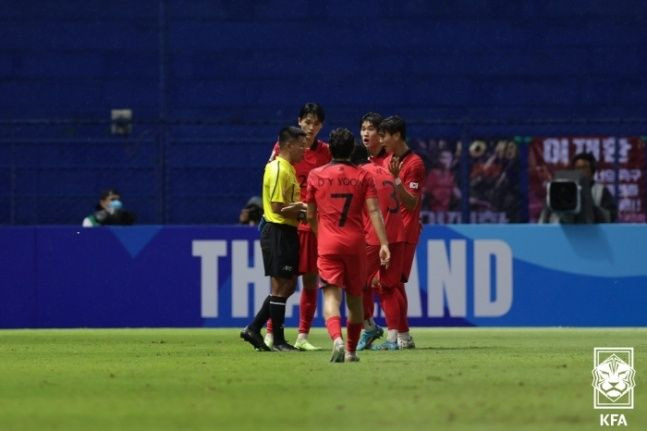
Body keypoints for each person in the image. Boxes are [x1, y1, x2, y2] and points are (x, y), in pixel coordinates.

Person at [305, 128, 390, 362]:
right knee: (355, 299)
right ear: (352, 149)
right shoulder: (363, 176)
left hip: (328, 244)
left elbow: (310, 214)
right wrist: (384, 243)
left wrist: (319, 233)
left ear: (330, 148)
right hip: (356, 243)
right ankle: (351, 351)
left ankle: (337, 340)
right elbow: (374, 210)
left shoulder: (315, 175)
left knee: (331, 298)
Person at [265, 103, 331, 351]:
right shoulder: (284, 150)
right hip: (289, 223)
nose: (311, 127)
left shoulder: (326, 152)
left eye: (315, 123)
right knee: (283, 282)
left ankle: (303, 336)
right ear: (299, 121)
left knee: (312, 281)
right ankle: (271, 332)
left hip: (313, 226)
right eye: (307, 122)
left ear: (321, 126)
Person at [240, 126, 307, 352]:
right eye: (301, 145)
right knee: (281, 286)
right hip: (278, 230)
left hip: (285, 231)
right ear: (288, 145)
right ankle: (277, 340)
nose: (304, 151)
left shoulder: (286, 167)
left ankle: (254, 328)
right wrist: (303, 210)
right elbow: (278, 208)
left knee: (286, 286)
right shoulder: (280, 169)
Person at [350, 144, 407, 351]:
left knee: (356, 285)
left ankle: (369, 327)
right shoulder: (382, 170)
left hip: (375, 236)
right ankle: (393, 338)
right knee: (389, 286)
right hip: (397, 234)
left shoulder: (360, 175)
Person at [380, 116, 426, 349]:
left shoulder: (414, 164)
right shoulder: (388, 160)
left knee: (393, 284)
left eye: (384, 135)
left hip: (405, 233)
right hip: (389, 230)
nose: (381, 140)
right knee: (394, 284)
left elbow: (410, 203)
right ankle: (402, 336)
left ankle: (399, 336)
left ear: (396, 135)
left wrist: (397, 180)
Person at [538, 152, 618, 223]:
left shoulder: (601, 190)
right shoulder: (560, 187)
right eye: (578, 168)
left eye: (584, 167)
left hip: (588, 235)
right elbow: (543, 217)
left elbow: (611, 216)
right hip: (560, 234)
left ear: (592, 171)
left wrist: (591, 207)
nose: (581, 171)